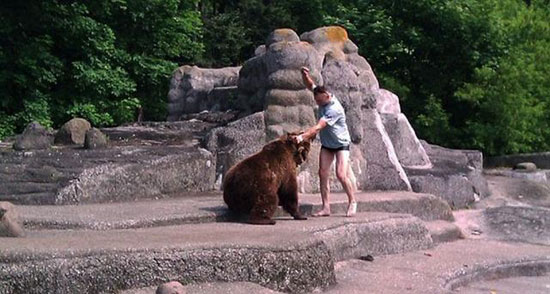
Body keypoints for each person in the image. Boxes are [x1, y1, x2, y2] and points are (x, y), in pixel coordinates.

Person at [294, 67, 357, 217]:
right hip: (328, 144)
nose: (318, 104)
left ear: (327, 97)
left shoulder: (334, 109)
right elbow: (311, 86)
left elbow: (318, 127)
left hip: (341, 144)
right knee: (323, 173)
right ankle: (326, 207)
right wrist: (305, 75)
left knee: (341, 174)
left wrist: (302, 137)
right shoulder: (321, 94)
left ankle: (352, 201)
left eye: (320, 101)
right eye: (316, 101)